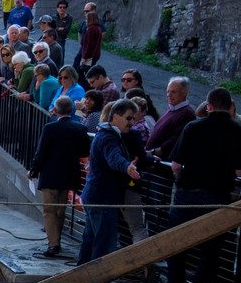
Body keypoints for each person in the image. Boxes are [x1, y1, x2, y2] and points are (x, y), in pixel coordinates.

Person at [166, 87, 241, 283]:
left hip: (188, 193)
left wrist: (179, 179)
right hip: (218, 195)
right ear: (230, 106)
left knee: (175, 241)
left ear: (209, 106)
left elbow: (176, 165)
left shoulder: (193, 127)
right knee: (211, 248)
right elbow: (240, 171)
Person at [77, 99, 142, 265]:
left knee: (91, 240)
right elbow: (114, 158)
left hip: (97, 196)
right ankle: (96, 280)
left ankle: (82, 277)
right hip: (102, 198)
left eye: (134, 118)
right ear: (115, 117)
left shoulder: (106, 135)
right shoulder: (108, 137)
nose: (132, 122)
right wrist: (127, 167)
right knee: (103, 243)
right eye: (129, 118)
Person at [28, 96, 90, 257]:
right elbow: (84, 152)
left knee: (49, 210)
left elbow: (41, 152)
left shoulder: (50, 128)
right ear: (71, 110)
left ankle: (53, 244)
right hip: (69, 175)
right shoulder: (81, 129)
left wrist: (33, 170)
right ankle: (57, 241)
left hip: (50, 174)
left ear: (55, 110)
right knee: (61, 210)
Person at [146, 76, 196, 160]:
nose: (169, 95)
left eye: (173, 92)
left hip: (161, 162)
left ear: (184, 92)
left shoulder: (187, 114)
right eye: (168, 91)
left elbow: (175, 142)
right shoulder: (173, 109)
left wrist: (152, 152)